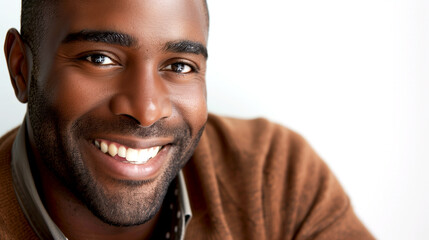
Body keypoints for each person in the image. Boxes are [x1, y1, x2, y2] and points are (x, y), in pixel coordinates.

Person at [0, 0, 374, 239]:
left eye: (179, 65)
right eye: (99, 58)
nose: (147, 110)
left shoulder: (272, 176)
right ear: (21, 68)